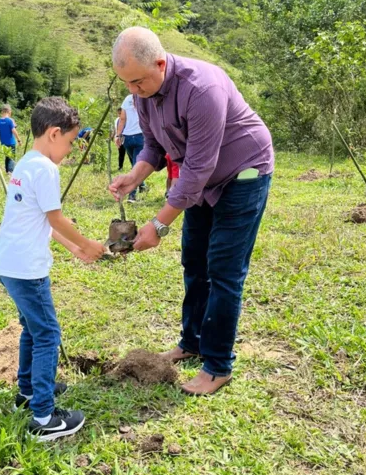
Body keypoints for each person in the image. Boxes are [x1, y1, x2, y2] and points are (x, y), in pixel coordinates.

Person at [109, 27, 274, 396]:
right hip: (200, 179)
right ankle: (192, 341)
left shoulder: (202, 89)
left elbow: (197, 169)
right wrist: (134, 176)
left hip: (243, 172)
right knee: (194, 261)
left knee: (224, 268)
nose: (134, 91)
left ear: (161, 63)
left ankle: (217, 365)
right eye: (127, 84)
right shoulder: (143, 95)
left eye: (138, 82)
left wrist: (158, 224)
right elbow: (154, 145)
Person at [0, 96, 106, 440]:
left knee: (32, 329)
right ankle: (44, 418)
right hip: (28, 270)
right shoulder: (45, 168)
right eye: (71, 142)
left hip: (8, 264)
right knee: (47, 335)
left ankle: (27, 392)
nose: (71, 150)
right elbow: (56, 217)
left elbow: (42, 221)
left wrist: (74, 248)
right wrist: (88, 243)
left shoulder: (26, 163)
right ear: (55, 133)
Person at [115, 93, 146, 203]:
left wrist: (118, 135)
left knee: (134, 162)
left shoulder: (127, 98)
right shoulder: (145, 96)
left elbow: (122, 119)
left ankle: (142, 186)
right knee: (136, 165)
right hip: (140, 136)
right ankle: (132, 196)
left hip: (127, 138)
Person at [0, 104, 22, 174]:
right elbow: (14, 130)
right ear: (9, 111)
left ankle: (7, 170)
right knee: (11, 157)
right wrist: (19, 140)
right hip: (11, 142)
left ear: (2, 112)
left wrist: (1, 140)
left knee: (7, 156)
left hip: (3, 143)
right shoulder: (10, 121)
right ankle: (10, 171)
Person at [113, 107, 126, 171]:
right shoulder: (116, 120)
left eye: (120, 113)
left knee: (130, 153)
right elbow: (115, 129)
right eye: (118, 113)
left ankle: (134, 166)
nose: (119, 115)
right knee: (121, 152)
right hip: (120, 137)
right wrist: (115, 137)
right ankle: (120, 166)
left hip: (126, 136)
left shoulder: (126, 119)